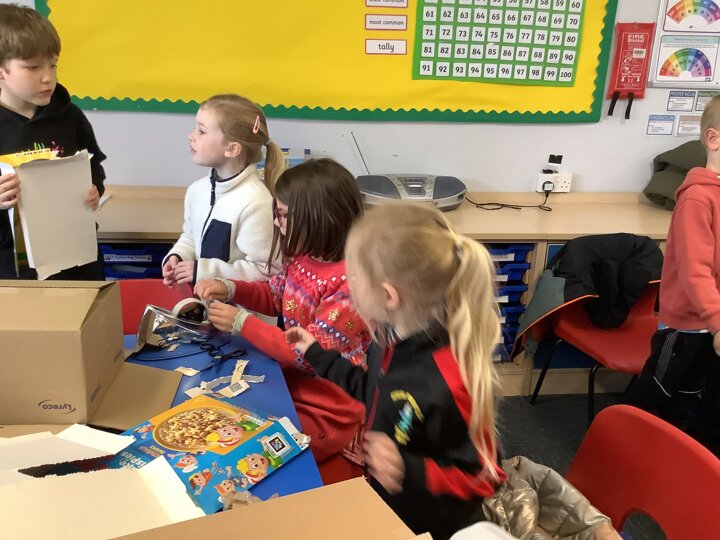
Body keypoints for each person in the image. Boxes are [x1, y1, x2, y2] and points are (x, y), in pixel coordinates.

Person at [285, 203, 507, 540]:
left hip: (436, 527)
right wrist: (317, 354)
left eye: (354, 276)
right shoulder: (389, 339)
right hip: (391, 504)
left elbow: (486, 478)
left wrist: (409, 469)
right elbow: (375, 390)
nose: (347, 282)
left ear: (389, 295)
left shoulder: (450, 380)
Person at [194, 158, 371, 464]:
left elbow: (306, 353)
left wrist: (243, 323)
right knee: (219, 426)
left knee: (246, 452)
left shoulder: (350, 284)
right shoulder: (303, 257)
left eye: (284, 215)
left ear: (318, 218)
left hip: (329, 408)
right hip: (288, 383)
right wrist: (232, 289)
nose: (277, 223)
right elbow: (276, 297)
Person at [630, 95, 720, 448]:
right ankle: (625, 446)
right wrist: (717, 321)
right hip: (687, 324)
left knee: (693, 394)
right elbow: (695, 271)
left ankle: (675, 455)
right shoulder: (698, 199)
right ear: (713, 139)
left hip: (711, 321)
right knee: (659, 390)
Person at [0, 3, 106, 280]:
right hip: (11, 268)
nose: (48, 77)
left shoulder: (69, 116)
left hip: (76, 258)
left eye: (53, 65)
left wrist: (95, 189)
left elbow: (94, 166)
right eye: (33, 67)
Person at [162, 94, 282, 286]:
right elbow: (190, 238)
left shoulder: (256, 202)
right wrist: (178, 256)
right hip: (205, 299)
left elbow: (266, 271)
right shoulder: (196, 191)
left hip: (236, 305)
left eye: (201, 131)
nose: (190, 136)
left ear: (232, 149)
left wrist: (203, 271)